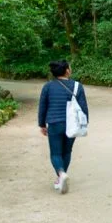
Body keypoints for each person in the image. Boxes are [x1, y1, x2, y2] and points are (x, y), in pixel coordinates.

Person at [38, 60, 89, 194]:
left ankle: (61, 174)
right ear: (67, 70)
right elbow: (83, 107)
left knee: (55, 152)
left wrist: (42, 124)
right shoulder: (77, 86)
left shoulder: (48, 87)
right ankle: (61, 176)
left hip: (54, 123)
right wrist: (85, 123)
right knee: (66, 151)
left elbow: (43, 106)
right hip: (72, 124)